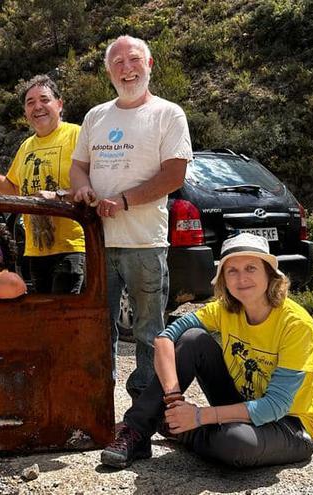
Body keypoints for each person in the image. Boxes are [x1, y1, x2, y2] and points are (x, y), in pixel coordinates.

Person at [100, 233, 313, 469]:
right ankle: (137, 431)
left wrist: (200, 416)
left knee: (236, 444)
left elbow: (275, 405)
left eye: (250, 268)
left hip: (288, 425)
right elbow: (165, 339)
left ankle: (181, 430)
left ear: (269, 273)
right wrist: (174, 398)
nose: (241, 278)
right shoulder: (225, 309)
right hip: (242, 403)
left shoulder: (296, 324)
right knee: (193, 339)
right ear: (224, 280)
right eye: (232, 271)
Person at [69, 35, 193, 399]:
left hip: (145, 243)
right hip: (97, 242)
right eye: (118, 63)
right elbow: (78, 168)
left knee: (149, 331)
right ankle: (98, 405)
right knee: (96, 327)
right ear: (108, 71)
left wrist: (124, 201)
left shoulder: (168, 114)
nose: (127, 68)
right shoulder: (96, 116)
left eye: (134, 60)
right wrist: (82, 189)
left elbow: (174, 176)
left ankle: (144, 412)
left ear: (150, 64)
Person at [0, 75, 85, 294]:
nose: (37, 107)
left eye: (44, 99)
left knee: (63, 319)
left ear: (60, 103)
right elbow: (14, 190)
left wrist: (57, 196)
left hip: (72, 247)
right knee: (44, 318)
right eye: (30, 102)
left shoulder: (78, 135)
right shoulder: (26, 146)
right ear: (25, 112)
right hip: (35, 251)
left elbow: (93, 187)